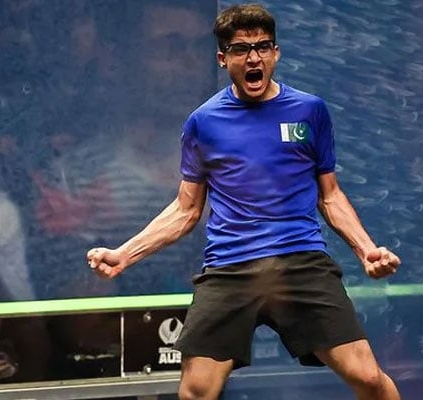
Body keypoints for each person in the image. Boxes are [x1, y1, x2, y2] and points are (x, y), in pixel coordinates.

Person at [87, 4, 402, 400]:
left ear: (275, 53)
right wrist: (124, 254)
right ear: (223, 59)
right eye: (240, 49)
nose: (253, 57)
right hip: (230, 267)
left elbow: (331, 195)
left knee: (369, 379)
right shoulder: (203, 122)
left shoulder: (310, 111)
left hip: (300, 261)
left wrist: (367, 250)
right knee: (196, 391)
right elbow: (186, 210)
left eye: (262, 47)